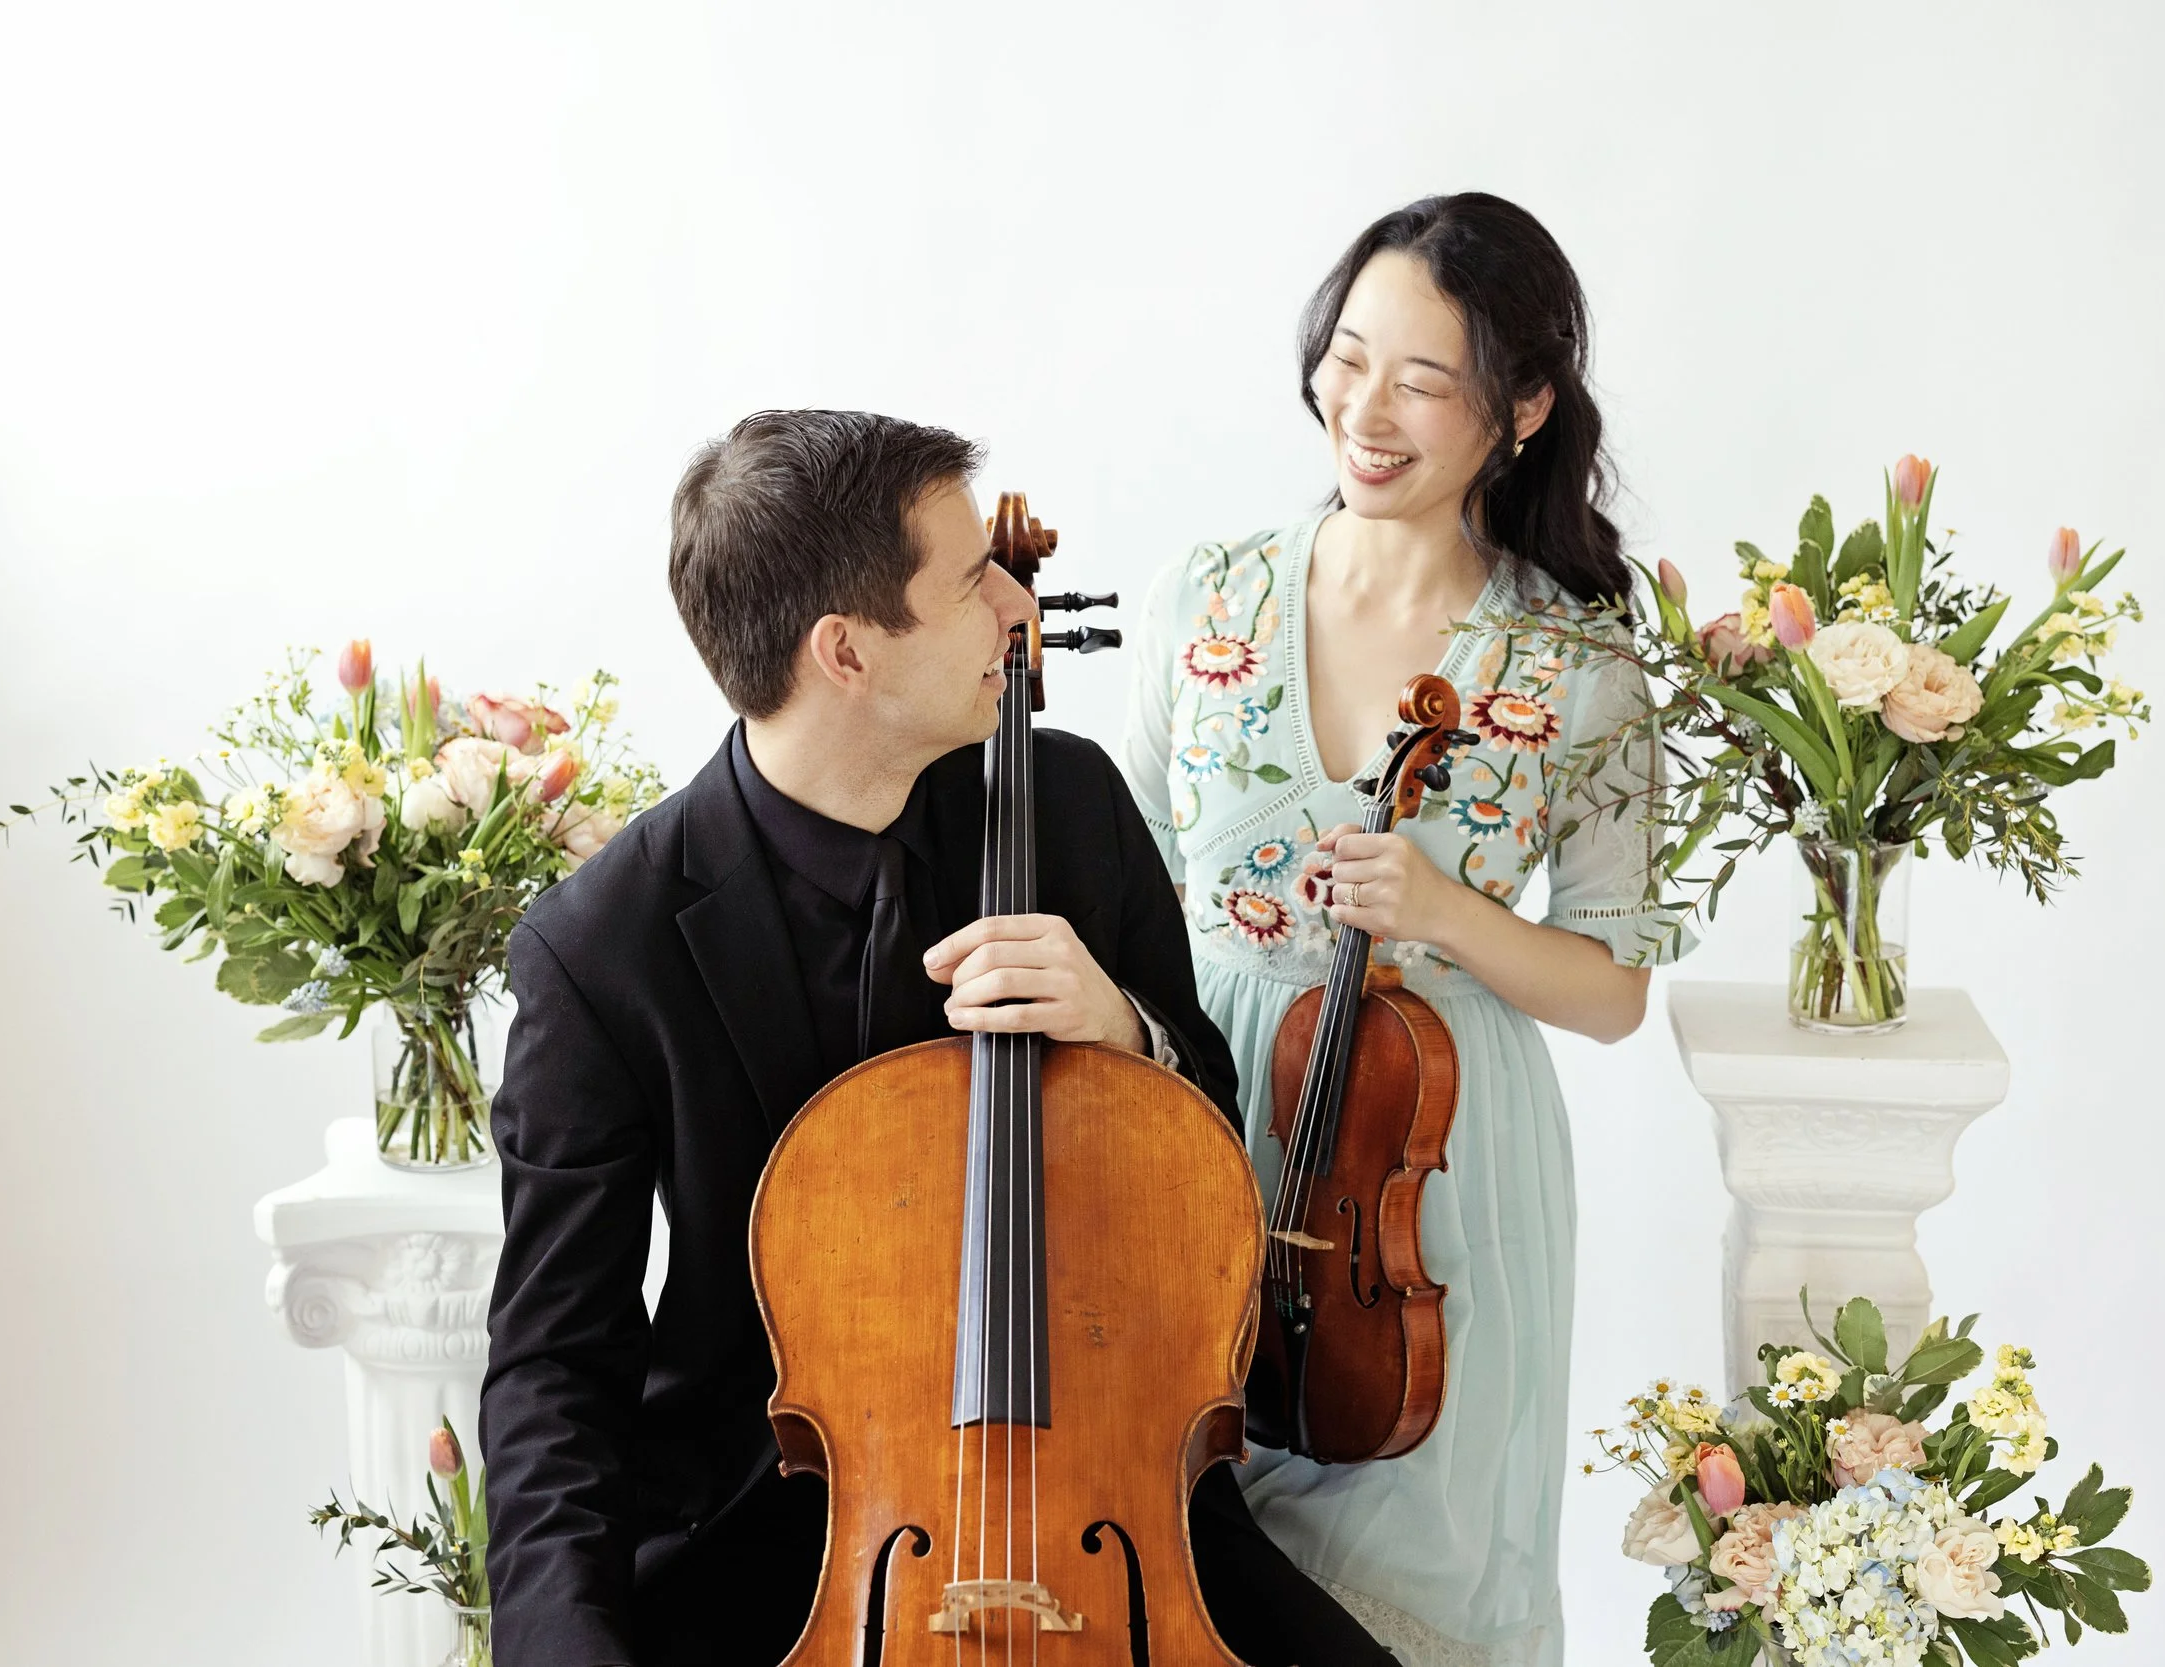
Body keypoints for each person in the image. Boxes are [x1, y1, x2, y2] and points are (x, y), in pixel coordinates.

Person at [481, 409, 1399, 1667]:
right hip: (768, 1530)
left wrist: (1125, 1031)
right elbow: (555, 1365)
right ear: (846, 651)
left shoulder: (1069, 806)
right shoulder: (601, 947)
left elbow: (1212, 1145)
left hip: (1107, 1491)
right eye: (974, 582)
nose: (1019, 607)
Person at [1124, 194, 1694, 1666]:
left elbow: (1613, 989)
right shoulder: (1208, 593)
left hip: (1424, 1194)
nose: (1365, 413)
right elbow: (1121, 885)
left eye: (1423, 381)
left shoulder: (1578, 661)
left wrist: (1442, 911)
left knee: (1412, 1616)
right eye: (1349, 360)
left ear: (1522, 408)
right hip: (1200, 1136)